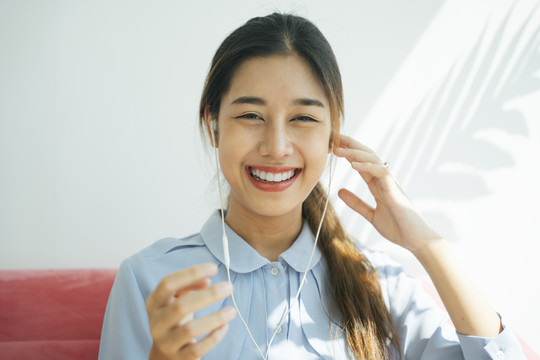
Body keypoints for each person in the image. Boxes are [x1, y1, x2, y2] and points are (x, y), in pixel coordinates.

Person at [98, 13, 526, 360]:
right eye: (250, 116)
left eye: (303, 118)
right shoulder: (151, 279)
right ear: (213, 126)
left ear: (331, 134)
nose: (276, 146)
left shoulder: (378, 282)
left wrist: (426, 244)